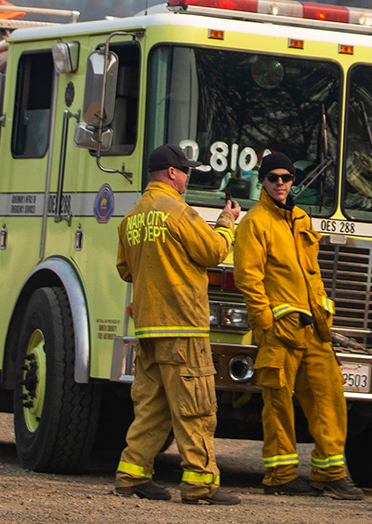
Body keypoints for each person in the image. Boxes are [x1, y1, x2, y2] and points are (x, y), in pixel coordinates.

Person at [114, 144, 241, 505]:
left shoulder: (133, 216)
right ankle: (200, 485)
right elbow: (214, 252)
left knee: (151, 408)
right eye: (185, 171)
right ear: (172, 173)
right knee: (196, 408)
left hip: (148, 328)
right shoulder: (179, 212)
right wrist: (227, 223)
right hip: (183, 326)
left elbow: (125, 269)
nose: (187, 178)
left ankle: (132, 475)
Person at [233, 151, 364, 500]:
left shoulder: (302, 219)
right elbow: (249, 278)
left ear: (293, 182)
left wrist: (324, 318)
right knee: (278, 404)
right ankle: (280, 475)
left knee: (329, 397)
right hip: (279, 332)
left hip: (312, 330)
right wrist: (265, 322)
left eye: (286, 178)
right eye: (273, 178)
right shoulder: (254, 222)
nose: (280, 183)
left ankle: (330, 472)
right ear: (262, 181)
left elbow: (313, 275)